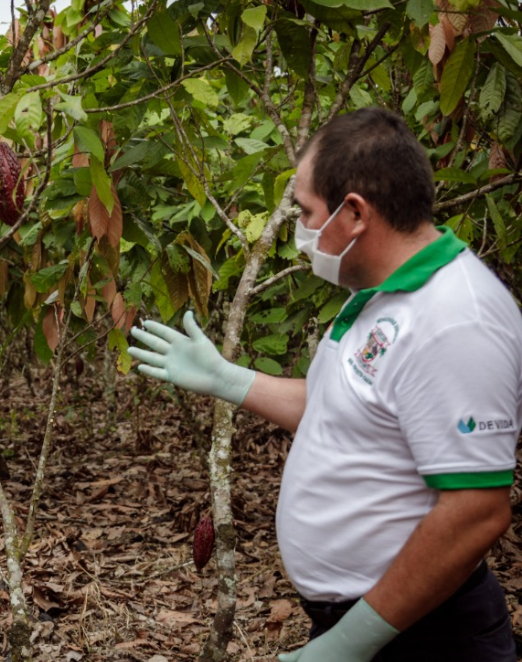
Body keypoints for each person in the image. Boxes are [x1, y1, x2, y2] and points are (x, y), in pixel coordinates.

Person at [128, 107, 519, 661]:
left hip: (427, 635)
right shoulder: (381, 293)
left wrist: (347, 646)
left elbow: (478, 509)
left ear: (354, 213)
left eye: (307, 212)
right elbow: (344, 408)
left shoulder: (456, 319)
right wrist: (227, 379)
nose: (301, 230)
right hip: (369, 625)